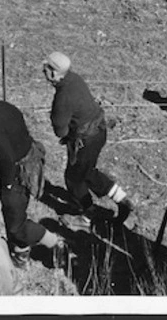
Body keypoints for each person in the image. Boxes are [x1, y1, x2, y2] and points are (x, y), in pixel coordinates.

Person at [0, 80, 63, 267]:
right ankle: (20, 255)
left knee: (16, 226)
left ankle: (55, 243)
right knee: (13, 216)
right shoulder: (6, 106)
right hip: (30, 163)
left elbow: (6, 159)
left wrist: (7, 184)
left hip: (16, 174)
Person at [43, 52, 132, 230]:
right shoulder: (74, 78)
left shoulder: (62, 97)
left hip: (85, 141)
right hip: (99, 131)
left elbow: (60, 130)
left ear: (54, 73)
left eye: (45, 68)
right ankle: (121, 199)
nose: (43, 71)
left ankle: (87, 216)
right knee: (87, 172)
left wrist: (69, 135)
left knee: (74, 178)